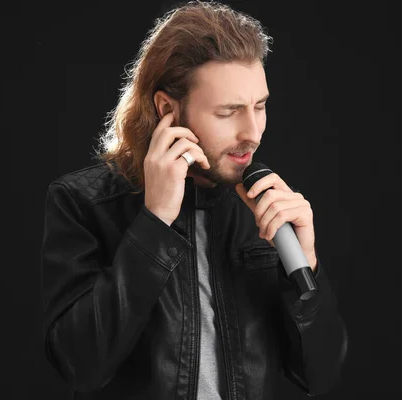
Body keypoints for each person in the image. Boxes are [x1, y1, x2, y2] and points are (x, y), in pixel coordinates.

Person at [40, 1, 348, 399]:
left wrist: (304, 267)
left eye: (260, 106)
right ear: (168, 108)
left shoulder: (263, 205)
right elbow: (79, 365)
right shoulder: (83, 203)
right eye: (228, 112)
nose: (252, 132)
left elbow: (318, 376)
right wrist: (154, 223)